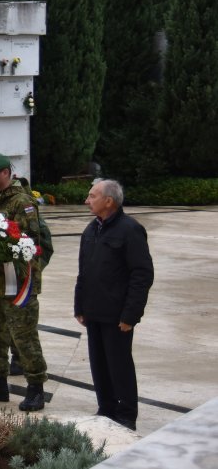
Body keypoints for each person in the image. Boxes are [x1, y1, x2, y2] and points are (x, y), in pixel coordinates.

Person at [75, 179, 154, 430]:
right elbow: (84, 271)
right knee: (98, 363)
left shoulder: (130, 230)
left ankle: (126, 413)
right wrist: (79, 306)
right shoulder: (91, 229)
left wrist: (131, 314)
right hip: (93, 310)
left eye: (92, 196)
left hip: (117, 314)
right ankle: (106, 407)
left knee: (119, 364)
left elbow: (142, 274)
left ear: (108, 201)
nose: (87, 200)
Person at [0, 153, 49, 411]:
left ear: (5, 174)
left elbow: (29, 242)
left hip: (17, 281)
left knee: (23, 336)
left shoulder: (23, 203)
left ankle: (35, 387)